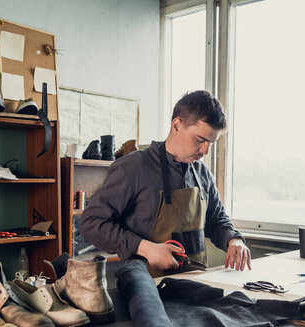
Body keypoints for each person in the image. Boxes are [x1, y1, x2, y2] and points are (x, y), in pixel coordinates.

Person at [79, 90, 251, 275]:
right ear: (177, 125)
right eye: (200, 140)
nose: (205, 150)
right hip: (146, 285)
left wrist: (234, 240)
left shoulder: (202, 173)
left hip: (195, 282)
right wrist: (144, 248)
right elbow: (90, 223)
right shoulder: (132, 168)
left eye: (212, 142)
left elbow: (216, 221)